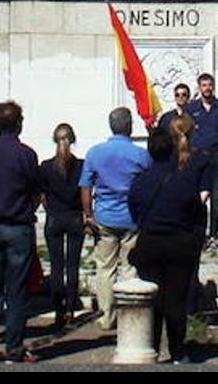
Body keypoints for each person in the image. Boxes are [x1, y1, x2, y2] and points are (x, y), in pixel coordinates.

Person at [128, 126, 212, 364]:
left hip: (151, 242)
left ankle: (150, 347)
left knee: (152, 299)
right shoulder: (185, 180)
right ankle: (177, 351)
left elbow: (134, 211)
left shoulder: (140, 181)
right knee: (176, 300)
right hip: (179, 243)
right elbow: (197, 211)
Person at [0, 101, 41, 363]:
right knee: (16, 290)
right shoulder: (26, 154)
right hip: (18, 225)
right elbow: (35, 190)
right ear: (19, 123)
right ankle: (14, 346)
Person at [79, 107, 152, 331]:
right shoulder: (141, 154)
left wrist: (88, 214)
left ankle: (106, 316)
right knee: (130, 267)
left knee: (105, 268)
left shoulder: (95, 153)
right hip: (132, 217)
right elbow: (148, 184)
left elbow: (85, 186)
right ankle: (130, 314)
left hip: (105, 215)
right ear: (129, 126)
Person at [40, 123, 85, 330]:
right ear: (73, 140)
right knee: (73, 264)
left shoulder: (46, 166)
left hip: (55, 216)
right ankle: (70, 308)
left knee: (56, 265)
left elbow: (42, 195)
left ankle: (58, 308)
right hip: (74, 215)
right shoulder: (80, 165)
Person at [186, 72, 218, 243]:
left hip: (216, 157)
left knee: (215, 197)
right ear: (199, 88)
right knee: (196, 196)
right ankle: (197, 232)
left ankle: (213, 234)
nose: (207, 88)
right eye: (204, 85)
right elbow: (185, 130)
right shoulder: (191, 108)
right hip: (197, 157)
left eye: (210, 85)